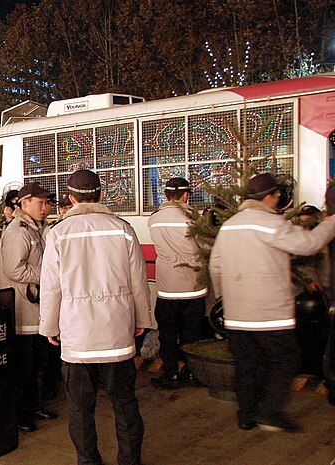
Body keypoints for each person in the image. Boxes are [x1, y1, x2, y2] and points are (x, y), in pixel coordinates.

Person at [40, 169, 154, 465]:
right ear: (101, 195)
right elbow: (138, 282)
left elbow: (51, 287)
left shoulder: (58, 233)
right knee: (125, 402)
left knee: (79, 407)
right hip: (117, 332)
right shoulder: (123, 229)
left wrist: (50, 326)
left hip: (77, 337)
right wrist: (141, 320)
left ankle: (88, 461)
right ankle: (130, 460)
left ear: (71, 198)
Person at [210, 172, 335, 432]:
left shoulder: (230, 225)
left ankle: (246, 415)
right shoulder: (271, 224)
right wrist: (331, 222)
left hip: (237, 315)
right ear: (267, 197)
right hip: (269, 315)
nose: (279, 200)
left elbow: (216, 266)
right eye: (277, 195)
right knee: (286, 359)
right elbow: (309, 244)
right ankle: (269, 410)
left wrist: (225, 297)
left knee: (246, 365)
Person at [0, 182, 58, 432]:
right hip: (23, 308)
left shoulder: (35, 229)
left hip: (35, 308)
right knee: (23, 365)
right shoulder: (19, 231)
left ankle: (32, 406)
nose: (45, 207)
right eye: (40, 202)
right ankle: (20, 413)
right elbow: (13, 268)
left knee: (36, 364)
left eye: (47, 202)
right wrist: (47, 274)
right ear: (24, 204)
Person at [148, 177, 208, 389]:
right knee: (192, 334)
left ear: (166, 195)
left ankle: (171, 372)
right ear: (185, 195)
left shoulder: (154, 219)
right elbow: (204, 247)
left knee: (167, 333)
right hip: (193, 287)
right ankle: (193, 373)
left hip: (167, 289)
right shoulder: (195, 219)